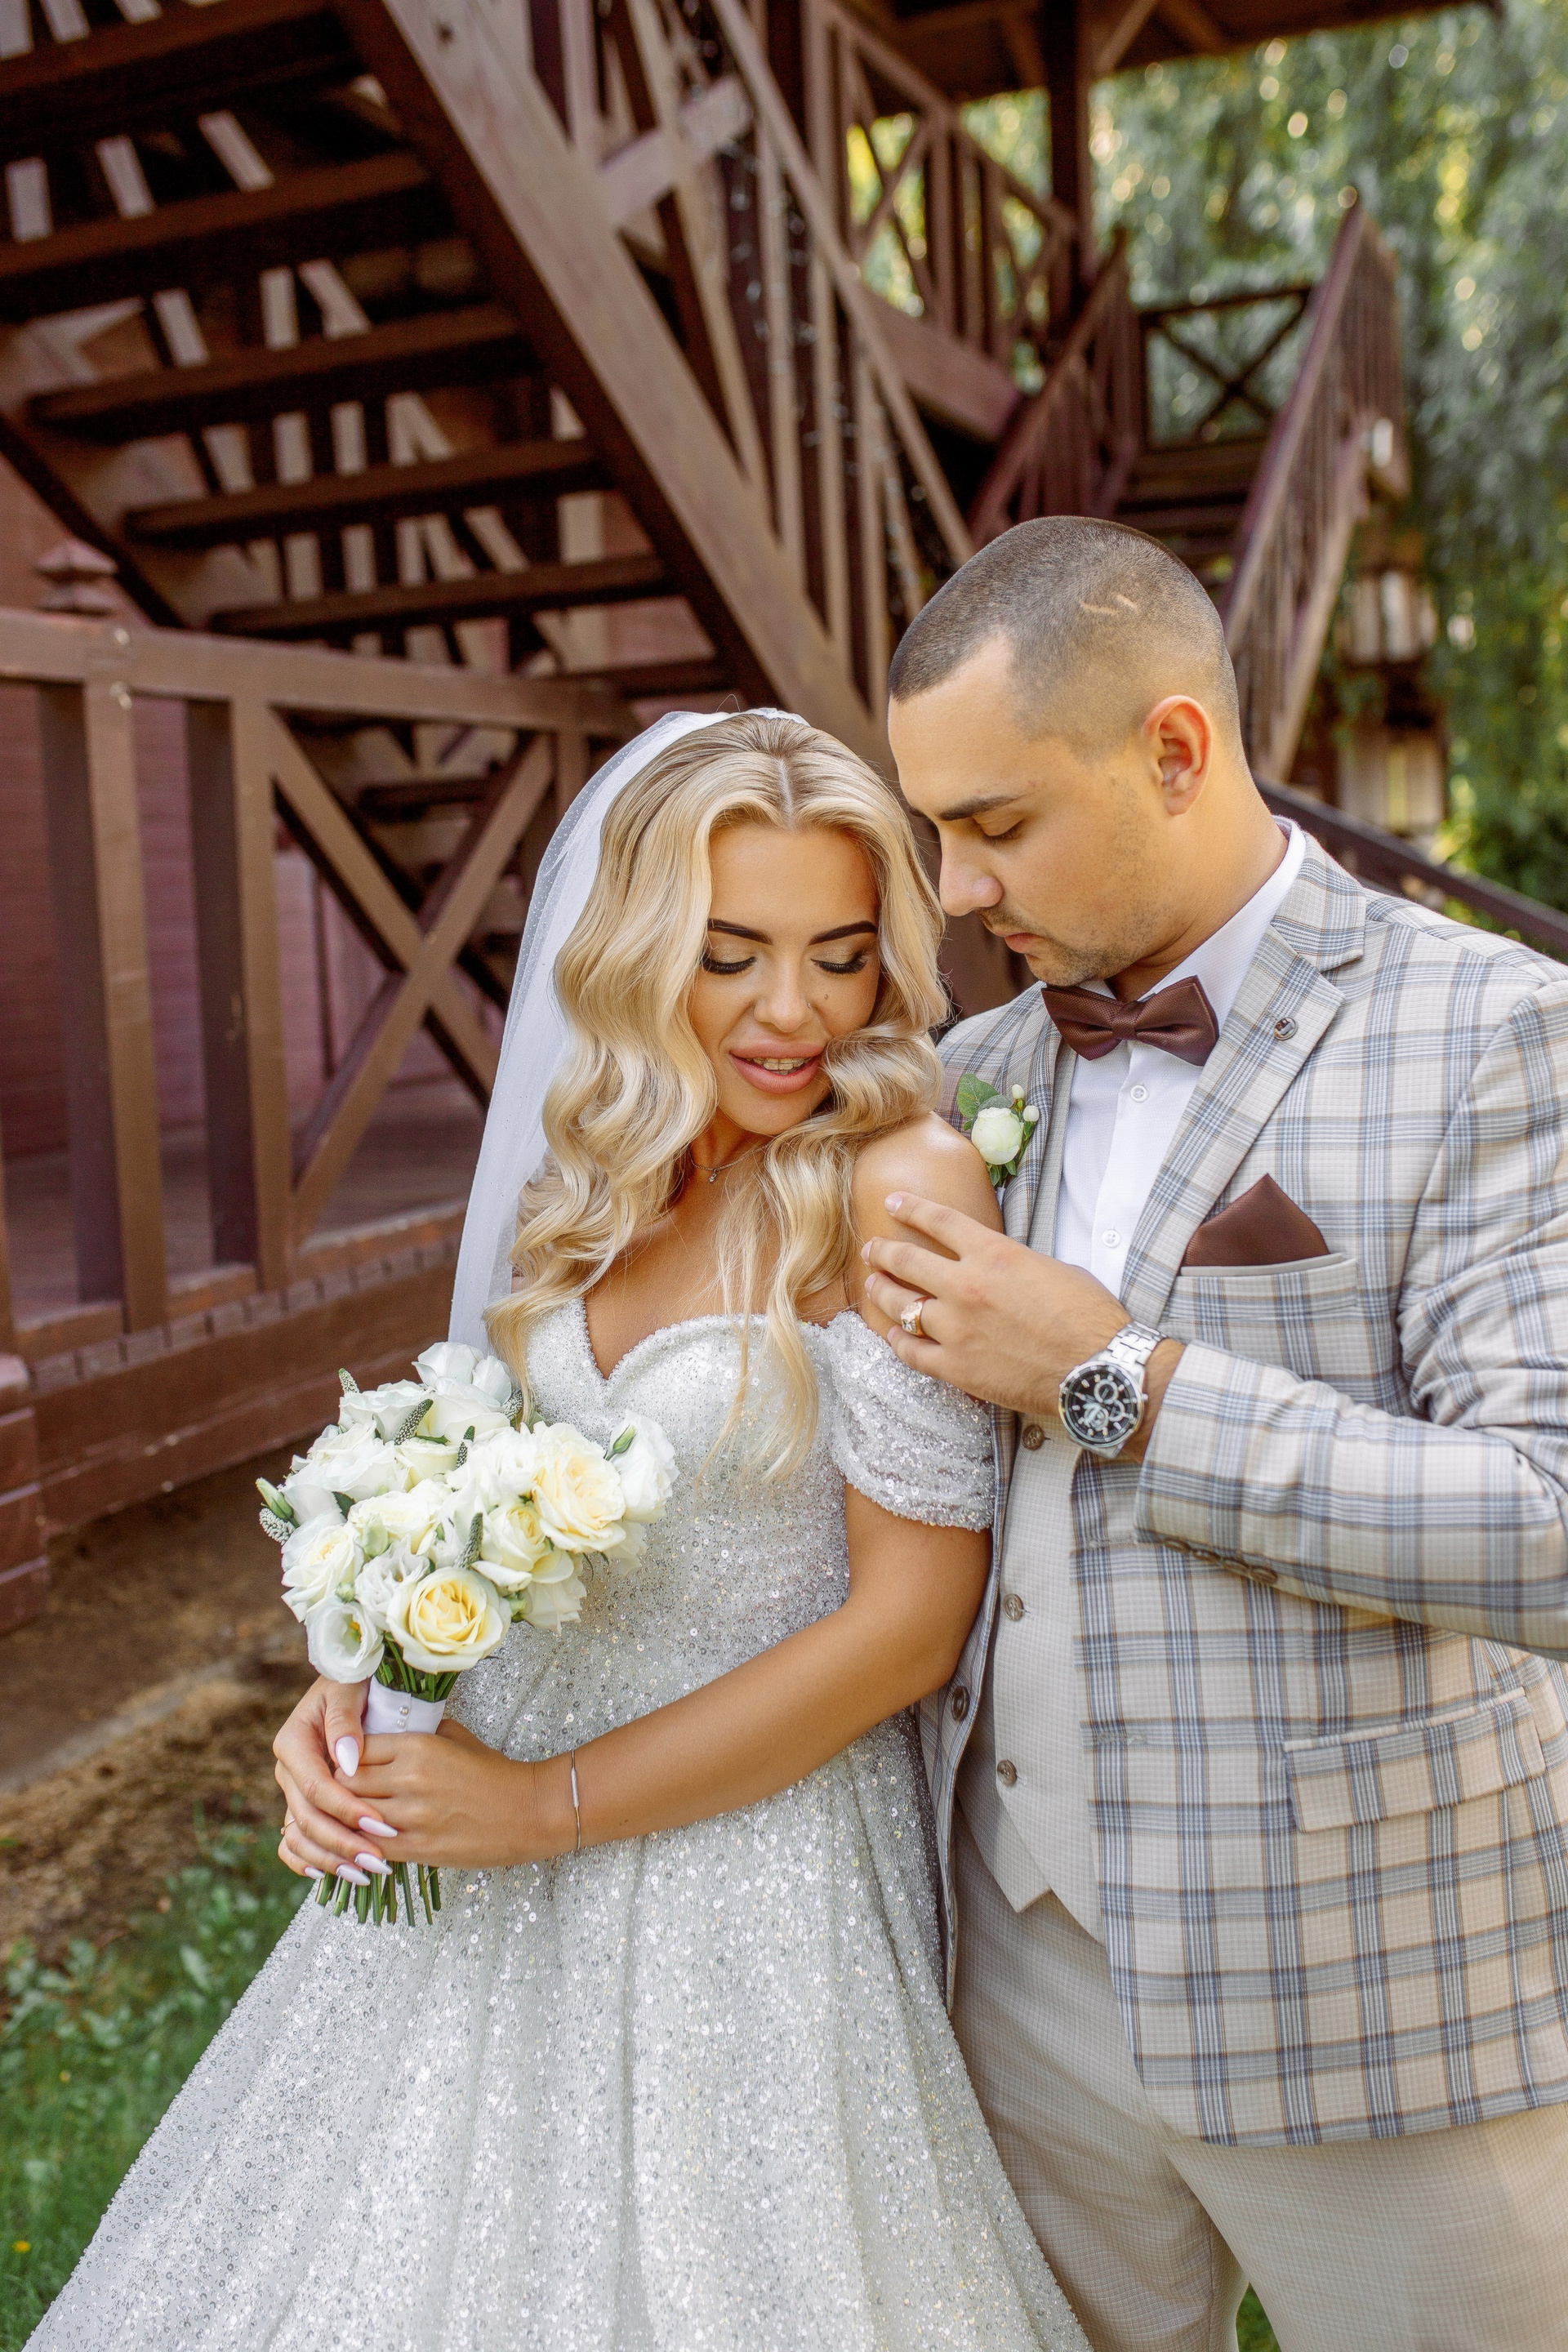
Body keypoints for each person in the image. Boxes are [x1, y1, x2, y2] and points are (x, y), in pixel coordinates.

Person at [29, 710, 1089, 2352]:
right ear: (639, 951)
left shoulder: (897, 1180)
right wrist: (364, 1686)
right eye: (729, 956)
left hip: (750, 1857)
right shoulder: (593, 1174)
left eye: (838, 955)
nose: (793, 1011)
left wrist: (549, 1807)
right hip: (486, 1792)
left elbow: (908, 1626)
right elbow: (494, 1489)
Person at [860, 514, 1568, 2352]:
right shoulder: (966, 1086)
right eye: (933, 829)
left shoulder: (1496, 1034)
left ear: (1175, 749)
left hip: (1380, 1984)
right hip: (1011, 1982)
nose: (953, 890)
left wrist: (1119, 1381)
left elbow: (1549, 1523)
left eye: (996, 824)